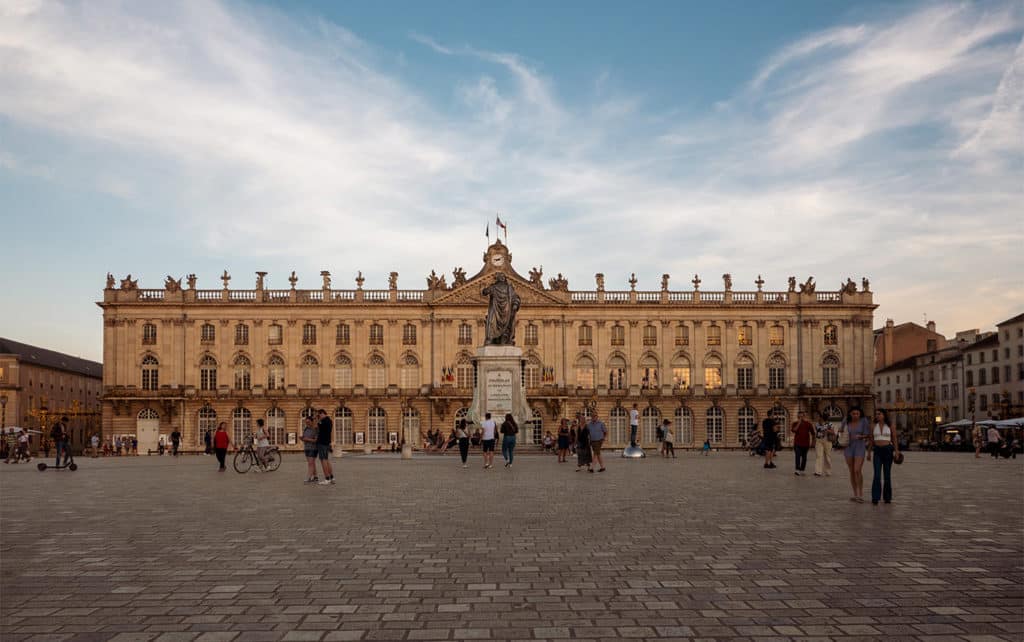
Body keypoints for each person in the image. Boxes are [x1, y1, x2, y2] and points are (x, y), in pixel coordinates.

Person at [868, 409, 899, 505]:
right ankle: (875, 497)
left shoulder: (890, 425)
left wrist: (896, 451)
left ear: (884, 415)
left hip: (888, 450)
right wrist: (869, 452)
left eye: (879, 414)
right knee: (877, 474)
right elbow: (871, 440)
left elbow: (894, 439)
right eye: (876, 414)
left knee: (887, 475)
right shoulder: (873, 426)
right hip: (877, 450)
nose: (877, 415)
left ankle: (887, 497)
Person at [841, 407, 870, 502]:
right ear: (850, 414)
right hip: (848, 447)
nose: (856, 415)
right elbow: (841, 431)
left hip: (859, 446)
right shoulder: (846, 421)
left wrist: (861, 436)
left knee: (857, 470)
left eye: (857, 413)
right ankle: (855, 494)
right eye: (853, 413)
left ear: (860, 414)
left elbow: (868, 434)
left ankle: (860, 494)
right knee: (852, 471)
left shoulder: (864, 421)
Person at [790, 410, 814, 476]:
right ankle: (797, 469)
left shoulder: (808, 424)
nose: (801, 418)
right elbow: (794, 430)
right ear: (798, 417)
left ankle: (802, 469)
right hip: (797, 443)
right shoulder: (795, 423)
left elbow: (813, 433)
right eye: (799, 416)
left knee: (804, 457)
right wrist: (799, 423)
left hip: (806, 443)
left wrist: (813, 442)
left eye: (802, 416)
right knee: (797, 456)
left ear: (804, 416)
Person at [315, 409, 334, 485]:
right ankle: (332, 477)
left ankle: (327, 478)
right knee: (326, 460)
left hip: (322, 442)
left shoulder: (323, 421)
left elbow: (315, 426)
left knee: (323, 461)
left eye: (319, 415)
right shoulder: (329, 420)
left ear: (322, 414)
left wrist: (317, 419)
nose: (318, 417)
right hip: (326, 442)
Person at [812, 411, 834, 477]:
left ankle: (828, 471)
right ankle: (818, 471)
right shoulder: (817, 424)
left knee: (827, 456)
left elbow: (833, 432)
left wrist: (826, 430)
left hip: (827, 440)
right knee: (819, 456)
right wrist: (814, 441)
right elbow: (817, 431)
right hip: (819, 440)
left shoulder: (830, 424)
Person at [300, 416, 319, 483]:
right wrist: (302, 438)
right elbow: (305, 437)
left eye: (308, 422)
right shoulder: (306, 429)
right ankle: (315, 477)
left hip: (313, 448)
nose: (307, 423)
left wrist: (307, 439)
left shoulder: (315, 429)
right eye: (306, 422)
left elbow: (316, 440)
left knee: (310, 463)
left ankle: (309, 477)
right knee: (312, 463)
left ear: (312, 421)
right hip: (307, 447)